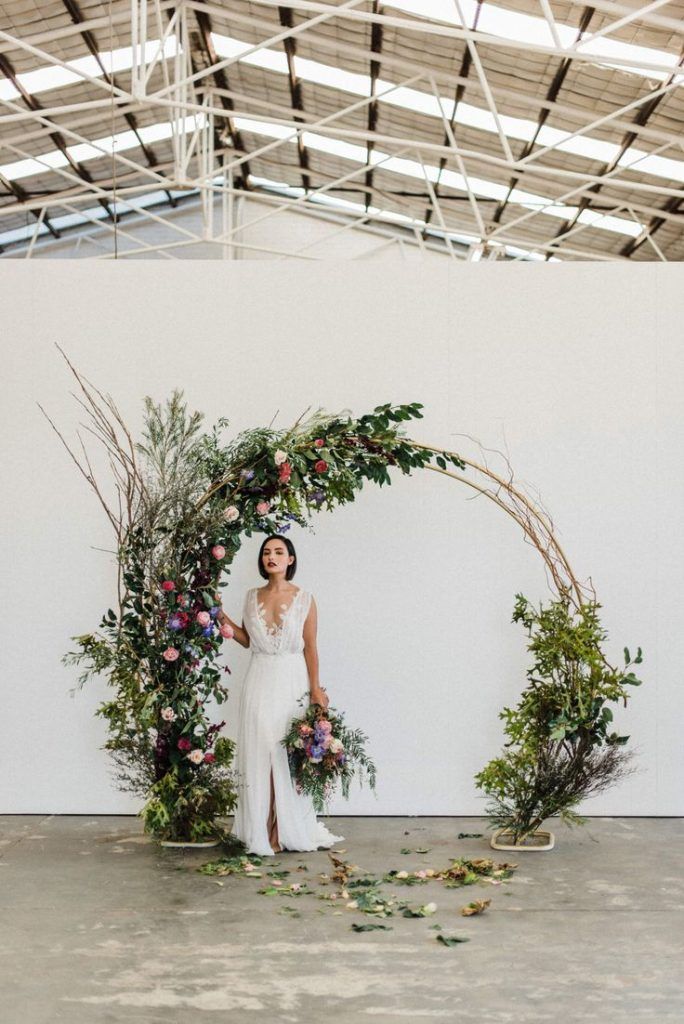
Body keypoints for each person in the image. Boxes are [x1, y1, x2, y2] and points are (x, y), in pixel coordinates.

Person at [217, 534, 345, 856]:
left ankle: (280, 827)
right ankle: (260, 826)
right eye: (266, 552)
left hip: (291, 680)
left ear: (290, 559)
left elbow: (311, 647)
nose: (271, 556)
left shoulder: (305, 598)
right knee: (260, 750)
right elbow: (248, 640)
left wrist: (315, 689)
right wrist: (222, 618)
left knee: (284, 751)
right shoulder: (250, 597)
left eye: (278, 552)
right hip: (259, 678)